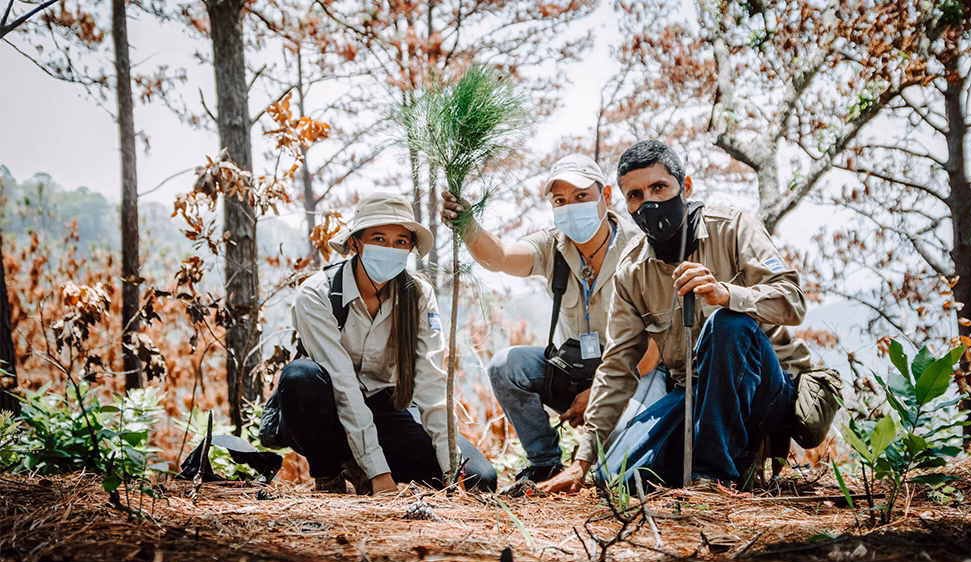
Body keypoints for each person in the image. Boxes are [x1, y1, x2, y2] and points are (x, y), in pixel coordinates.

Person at [539, 140, 813, 493]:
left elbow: (793, 301)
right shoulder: (632, 271)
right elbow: (618, 365)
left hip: (765, 390)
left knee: (727, 323)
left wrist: (728, 294)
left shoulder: (732, 228)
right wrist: (582, 462)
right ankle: (705, 458)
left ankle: (712, 478)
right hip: (693, 393)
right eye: (635, 195)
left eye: (658, 187)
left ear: (685, 187)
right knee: (616, 478)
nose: (648, 202)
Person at [442, 153, 668, 483]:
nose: (570, 206)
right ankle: (544, 462)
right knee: (507, 366)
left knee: (620, 473)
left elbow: (653, 347)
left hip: (635, 374)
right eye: (560, 200)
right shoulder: (552, 246)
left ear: (605, 196)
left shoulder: (638, 251)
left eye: (581, 197)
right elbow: (501, 257)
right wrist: (467, 224)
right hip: (573, 369)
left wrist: (600, 394)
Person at [278, 193, 497, 494]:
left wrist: (451, 470)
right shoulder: (317, 295)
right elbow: (342, 383)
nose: (389, 249)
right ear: (355, 243)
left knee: (479, 479)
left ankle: (364, 465)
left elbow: (431, 381)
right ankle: (330, 474)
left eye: (400, 242)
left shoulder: (417, 295)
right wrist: (379, 474)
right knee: (300, 377)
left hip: (386, 411)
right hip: (326, 416)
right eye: (378, 238)